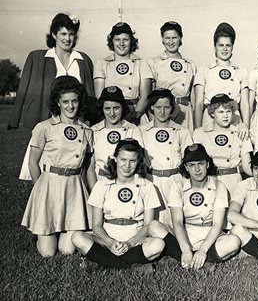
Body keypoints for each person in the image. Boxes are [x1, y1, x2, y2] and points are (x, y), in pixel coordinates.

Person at [21, 76, 93, 257]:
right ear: (58, 103)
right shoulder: (45, 127)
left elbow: (88, 167)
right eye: (65, 102)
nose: (70, 106)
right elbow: (32, 162)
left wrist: (93, 195)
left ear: (80, 102)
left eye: (74, 101)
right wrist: (39, 189)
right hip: (49, 185)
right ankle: (44, 234)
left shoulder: (87, 131)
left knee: (67, 250)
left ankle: (63, 230)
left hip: (74, 187)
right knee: (48, 253)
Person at [71, 139, 165, 270]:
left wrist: (129, 243)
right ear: (115, 158)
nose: (127, 165)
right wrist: (109, 243)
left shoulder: (147, 186)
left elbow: (148, 226)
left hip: (135, 240)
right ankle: (132, 267)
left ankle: (102, 263)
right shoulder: (102, 184)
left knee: (158, 244)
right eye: (123, 159)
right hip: (106, 239)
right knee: (77, 237)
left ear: (138, 161)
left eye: (132, 161)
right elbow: (96, 225)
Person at [149, 144, 241, 270]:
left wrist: (203, 250)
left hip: (209, 235)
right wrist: (186, 249)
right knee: (154, 226)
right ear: (186, 167)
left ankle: (186, 259)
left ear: (207, 164)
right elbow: (177, 222)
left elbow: (217, 224)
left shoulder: (219, 186)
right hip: (184, 235)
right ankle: (198, 261)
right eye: (191, 165)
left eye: (200, 163)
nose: (197, 169)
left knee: (233, 242)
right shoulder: (178, 185)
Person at [9, 13, 95, 130]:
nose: (67, 39)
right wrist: (14, 121)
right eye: (63, 34)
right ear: (54, 35)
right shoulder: (37, 58)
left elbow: (90, 96)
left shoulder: (83, 59)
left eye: (71, 34)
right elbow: (22, 91)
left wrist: (92, 122)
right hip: (45, 122)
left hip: (76, 123)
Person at [139, 88, 193, 225]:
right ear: (151, 107)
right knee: (153, 224)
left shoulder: (182, 131)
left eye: (166, 107)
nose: (162, 112)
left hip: (175, 181)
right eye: (158, 107)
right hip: (152, 181)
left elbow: (189, 161)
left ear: (172, 108)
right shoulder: (141, 131)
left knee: (176, 223)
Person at [193, 94, 252, 196]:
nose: (225, 116)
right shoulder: (200, 133)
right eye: (221, 112)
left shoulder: (241, 132)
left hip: (234, 181)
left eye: (228, 111)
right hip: (210, 181)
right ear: (212, 113)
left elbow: (247, 166)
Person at [93, 22, 153, 124]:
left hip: (136, 114)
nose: (121, 44)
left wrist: (133, 117)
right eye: (117, 40)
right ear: (111, 41)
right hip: (112, 115)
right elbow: (100, 98)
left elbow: (145, 96)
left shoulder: (142, 63)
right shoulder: (102, 63)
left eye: (125, 40)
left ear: (131, 41)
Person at [194, 22, 250, 128]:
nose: (224, 49)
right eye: (221, 45)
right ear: (215, 47)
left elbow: (244, 104)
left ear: (232, 47)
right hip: (210, 118)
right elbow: (199, 104)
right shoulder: (204, 70)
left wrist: (246, 126)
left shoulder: (241, 71)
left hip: (234, 118)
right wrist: (197, 130)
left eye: (228, 45)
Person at [89, 86, 143, 189]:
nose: (112, 113)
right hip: (101, 183)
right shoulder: (94, 131)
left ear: (123, 108)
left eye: (116, 108)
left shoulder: (133, 130)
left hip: (127, 185)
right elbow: (90, 168)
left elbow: (139, 163)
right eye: (107, 108)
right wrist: (94, 193)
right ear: (102, 109)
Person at [146, 21, 196, 133]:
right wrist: (152, 117)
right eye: (167, 38)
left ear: (180, 38)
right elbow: (149, 96)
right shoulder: (153, 62)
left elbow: (194, 97)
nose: (171, 42)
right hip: (162, 112)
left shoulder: (190, 64)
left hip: (184, 112)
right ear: (162, 39)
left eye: (174, 37)